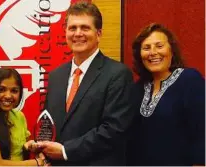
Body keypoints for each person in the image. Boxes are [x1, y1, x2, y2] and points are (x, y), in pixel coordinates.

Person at [35, 1, 134, 165]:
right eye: (72, 28)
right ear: (65, 32)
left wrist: (66, 151)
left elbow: (114, 130)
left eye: (85, 28)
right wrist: (41, 146)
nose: (78, 33)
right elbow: (49, 123)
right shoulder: (56, 76)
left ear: (99, 34)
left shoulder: (118, 74)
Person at [126, 23, 205, 166]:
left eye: (159, 46)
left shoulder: (190, 80)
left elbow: (202, 131)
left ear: (171, 51)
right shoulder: (137, 88)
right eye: (146, 48)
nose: (153, 52)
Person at [0, 67, 46, 166]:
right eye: (2, 90)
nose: (8, 95)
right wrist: (36, 163)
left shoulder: (19, 116)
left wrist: (29, 147)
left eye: (14, 91)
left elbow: (18, 153)